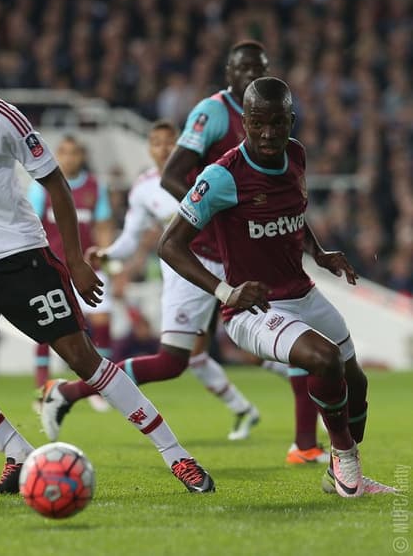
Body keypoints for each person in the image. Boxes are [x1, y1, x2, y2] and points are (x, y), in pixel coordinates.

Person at [0, 20, 214, 495]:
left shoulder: (1, 118)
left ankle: (177, 456)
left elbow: (56, 185)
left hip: (22, 259)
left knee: (85, 360)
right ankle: (17, 454)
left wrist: (78, 262)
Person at [159, 76, 395, 497]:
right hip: (254, 310)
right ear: (244, 122)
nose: (267, 133)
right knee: (324, 360)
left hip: (302, 292)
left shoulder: (296, 156)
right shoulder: (221, 177)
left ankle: (340, 467)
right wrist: (224, 293)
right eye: (257, 122)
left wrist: (319, 253)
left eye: (277, 123)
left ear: (291, 120)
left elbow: (292, 215)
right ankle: (346, 469)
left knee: (356, 384)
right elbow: (169, 245)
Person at [40, 120, 261, 442]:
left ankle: (303, 415)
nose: (164, 149)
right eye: (156, 143)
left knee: (265, 334)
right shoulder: (145, 188)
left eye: (170, 142)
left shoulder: (205, 174)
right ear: (149, 148)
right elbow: (131, 236)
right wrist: (109, 253)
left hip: (227, 266)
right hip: (186, 275)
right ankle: (69, 393)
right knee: (176, 360)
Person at [159, 41, 326, 464]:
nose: (252, 73)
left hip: (244, 246)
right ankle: (72, 389)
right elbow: (172, 176)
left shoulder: (276, 128)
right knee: (174, 358)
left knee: (293, 328)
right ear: (228, 72)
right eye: (243, 67)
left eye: (260, 66)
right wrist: (218, 220)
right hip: (203, 251)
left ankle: (305, 443)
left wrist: (316, 250)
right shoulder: (213, 112)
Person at [27, 135, 112, 411]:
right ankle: (42, 390)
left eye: (74, 152)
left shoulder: (95, 187)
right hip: (53, 268)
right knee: (46, 327)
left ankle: (98, 389)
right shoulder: (42, 187)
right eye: (63, 152)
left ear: (81, 156)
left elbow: (103, 225)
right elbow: (31, 224)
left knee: (101, 321)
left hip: (87, 268)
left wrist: (109, 258)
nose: (69, 157)